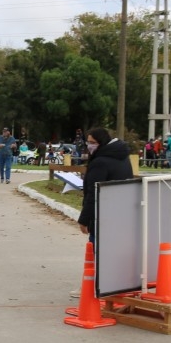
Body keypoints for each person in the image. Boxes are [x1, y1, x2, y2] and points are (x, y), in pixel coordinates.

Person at [73, 127, 134, 297]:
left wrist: (84, 219)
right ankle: (114, 285)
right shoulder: (122, 157)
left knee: (96, 252)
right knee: (112, 252)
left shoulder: (100, 162)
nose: (89, 146)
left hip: (102, 216)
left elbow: (94, 192)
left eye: (92, 142)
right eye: (88, 142)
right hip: (121, 212)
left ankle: (92, 286)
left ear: (102, 143)